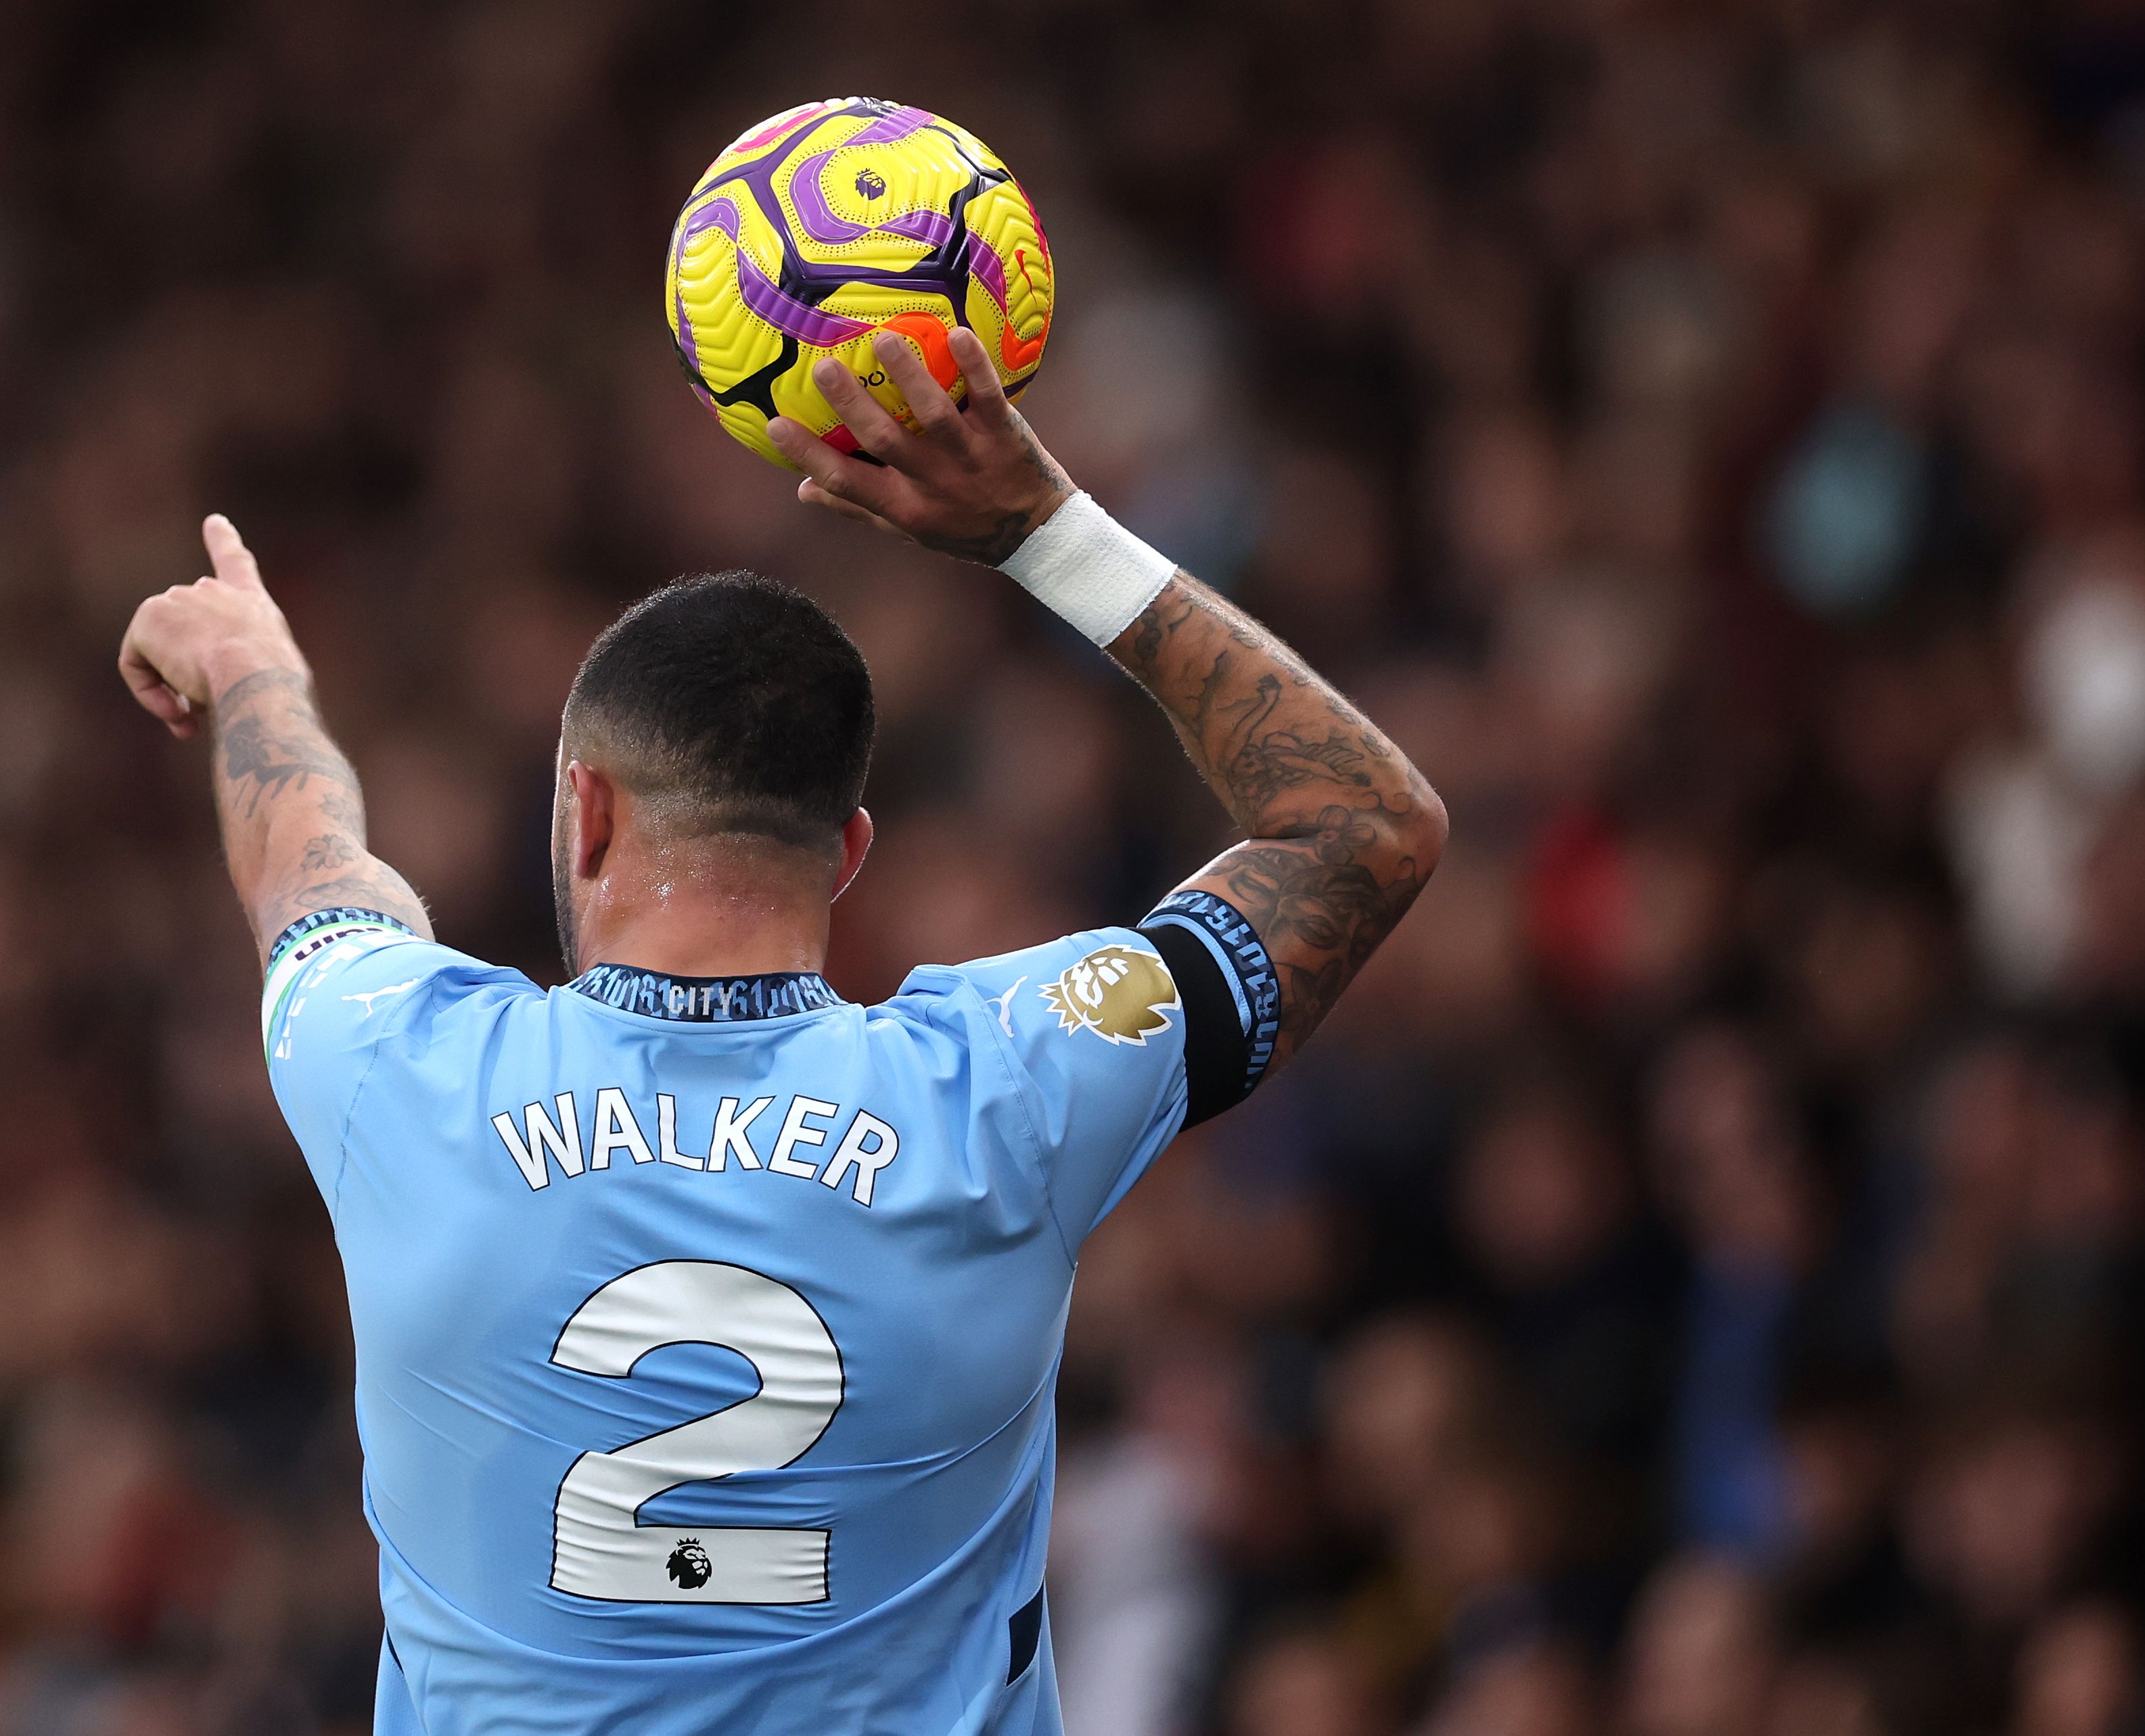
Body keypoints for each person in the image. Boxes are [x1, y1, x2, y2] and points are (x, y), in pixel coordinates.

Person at [116, 329, 1447, 1735]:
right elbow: (1364, 824)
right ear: (848, 851)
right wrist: (1045, 533)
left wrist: (250, 667)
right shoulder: (1004, 1084)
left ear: (587, 812)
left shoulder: (401, 1065)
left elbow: (306, 865)